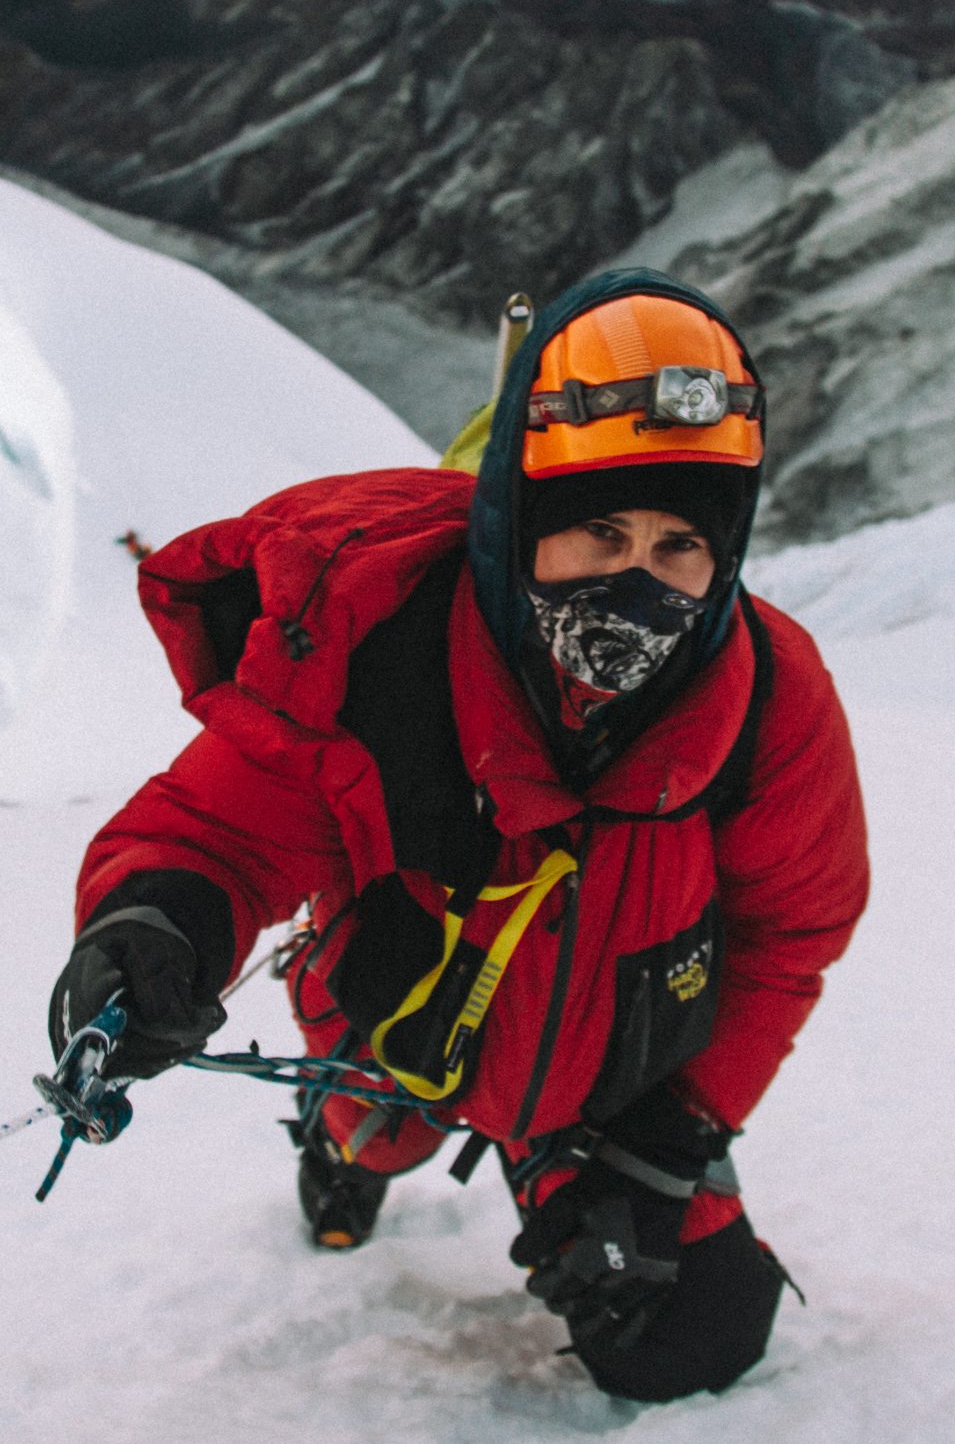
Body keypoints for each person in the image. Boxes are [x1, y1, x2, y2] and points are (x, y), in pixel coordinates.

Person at [46, 268, 870, 1402]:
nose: (639, 583)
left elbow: (789, 932)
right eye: (599, 534)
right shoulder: (383, 651)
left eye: (679, 544)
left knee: (689, 1339)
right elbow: (222, 830)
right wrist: (156, 929)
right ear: (519, 526)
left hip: (610, 1079)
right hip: (397, 1017)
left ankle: (548, 1168)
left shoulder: (765, 698)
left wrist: (668, 1140)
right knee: (377, 1135)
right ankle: (345, 1145)